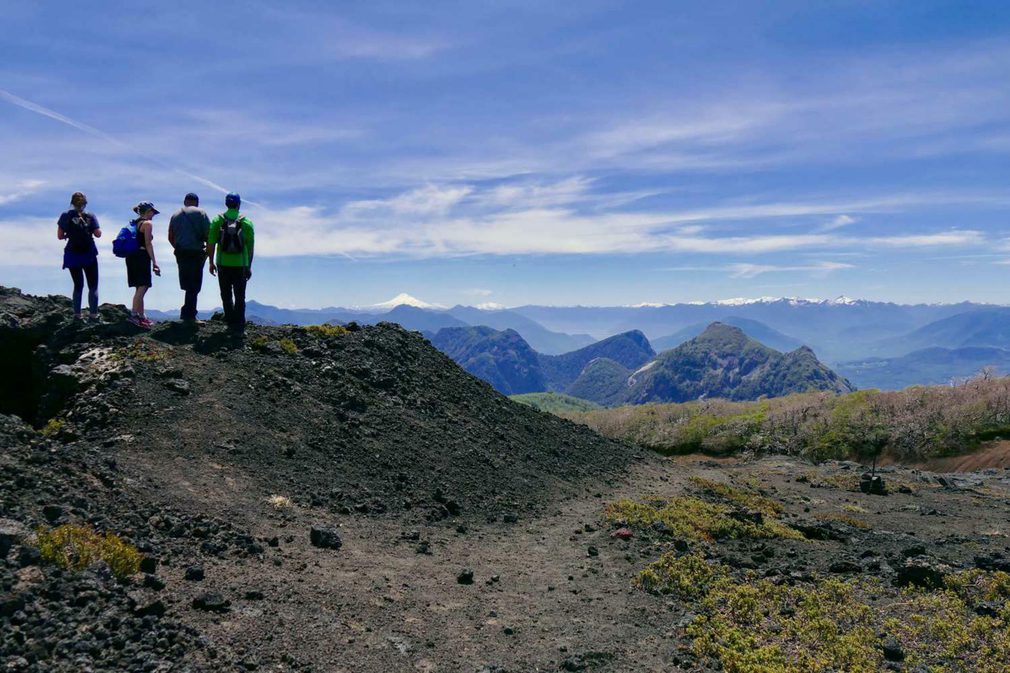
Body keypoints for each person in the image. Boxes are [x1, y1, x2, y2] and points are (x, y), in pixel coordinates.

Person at [208, 192, 254, 331]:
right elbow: (250, 247)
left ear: (226, 204)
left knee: (226, 294)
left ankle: (229, 321)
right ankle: (239, 325)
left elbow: (211, 243)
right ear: (239, 204)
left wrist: (211, 262)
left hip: (223, 263)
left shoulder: (217, 220)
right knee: (240, 295)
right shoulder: (246, 222)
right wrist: (249, 266)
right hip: (241, 264)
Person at [57, 192, 102, 320]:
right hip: (89, 253)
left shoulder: (66, 216)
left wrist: (69, 235)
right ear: (85, 203)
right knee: (93, 286)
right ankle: (93, 315)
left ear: (72, 202)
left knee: (78, 285)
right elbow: (98, 234)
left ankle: (77, 315)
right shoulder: (90, 215)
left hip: (73, 254)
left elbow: (60, 236)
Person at [167, 192, 211, 321]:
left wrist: (178, 248)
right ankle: (189, 315)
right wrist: (208, 253)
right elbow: (209, 235)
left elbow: (170, 236)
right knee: (194, 285)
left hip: (181, 252)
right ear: (197, 202)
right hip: (196, 252)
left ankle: (187, 311)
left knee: (186, 283)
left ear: (185, 202)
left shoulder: (175, 215)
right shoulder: (201, 213)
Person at [125, 202, 162, 327]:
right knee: (143, 286)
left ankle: (141, 316)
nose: (153, 215)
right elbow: (148, 244)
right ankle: (134, 315)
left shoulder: (134, 223)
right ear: (148, 211)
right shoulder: (147, 224)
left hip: (131, 257)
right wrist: (155, 263)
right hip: (141, 256)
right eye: (153, 212)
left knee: (139, 286)